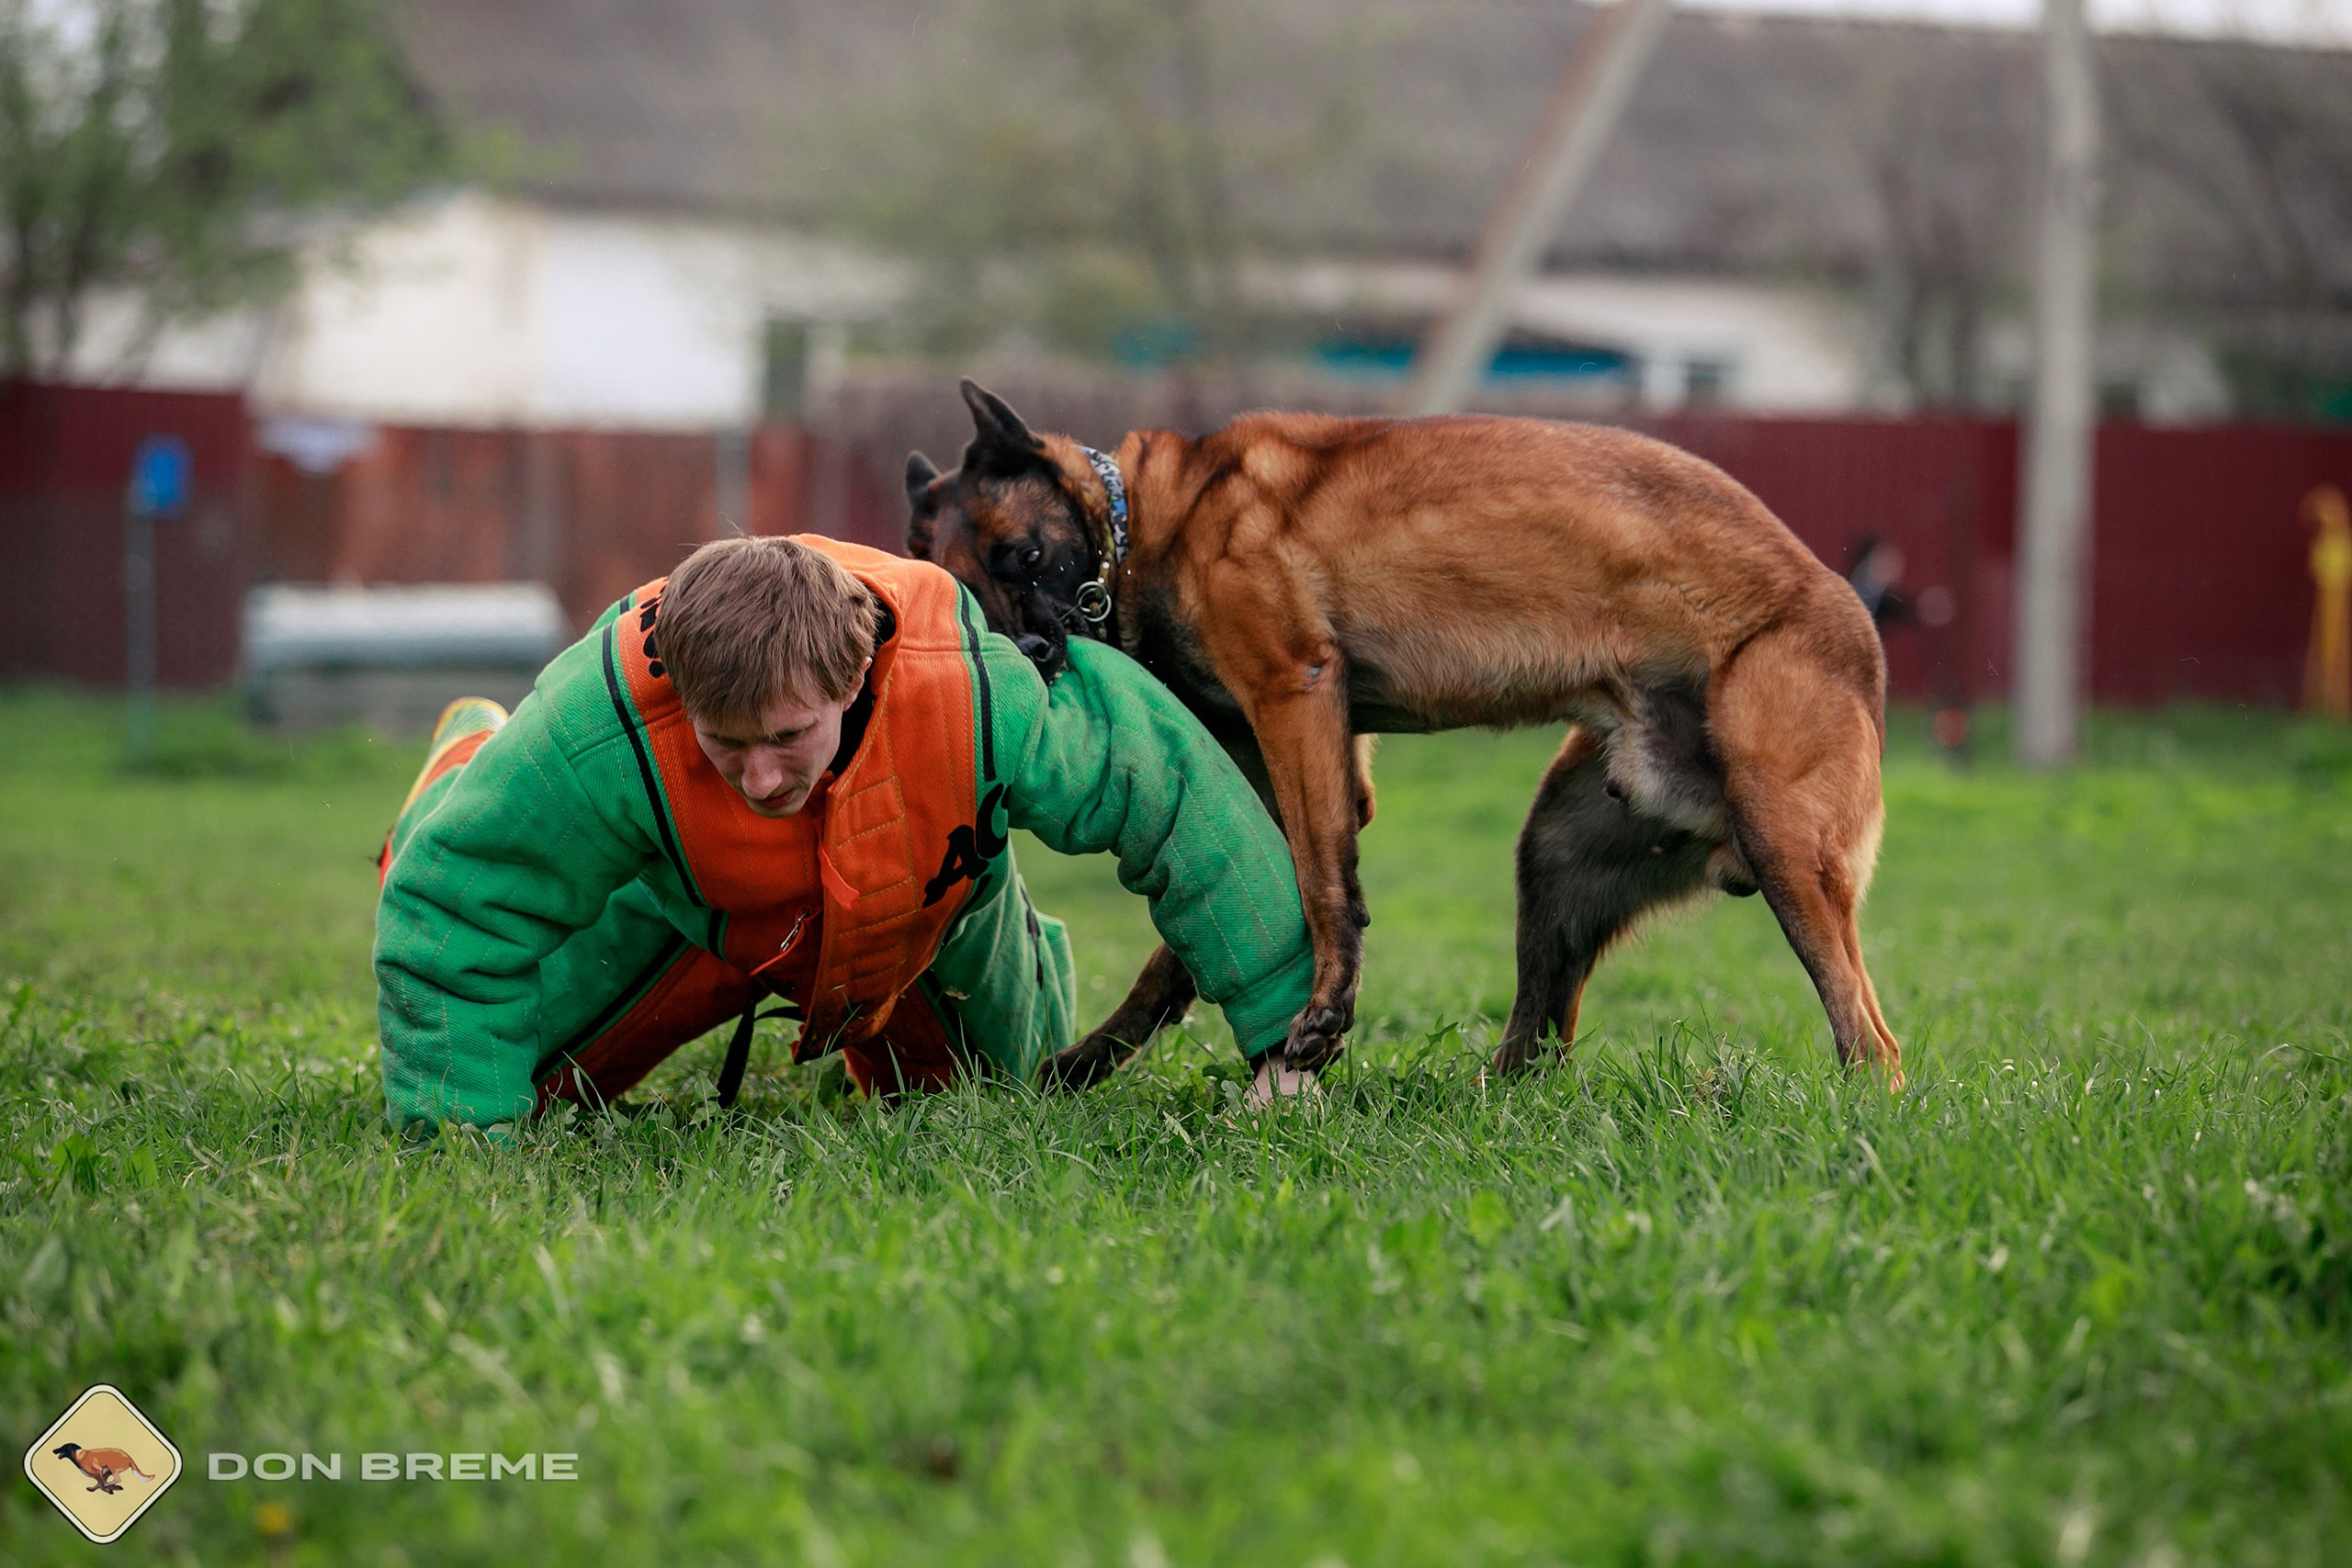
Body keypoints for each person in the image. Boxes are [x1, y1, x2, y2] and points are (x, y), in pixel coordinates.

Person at [373, 534, 1313, 1133]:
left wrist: (1285, 1050)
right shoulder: (598, 732)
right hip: (686, 909)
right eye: (726, 746)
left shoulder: (982, 696)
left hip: (921, 904)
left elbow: (1182, 802)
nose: (762, 778)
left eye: (787, 738)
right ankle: (462, 766)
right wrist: (461, 1141)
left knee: (995, 1108)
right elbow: (452, 902)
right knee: (509, 1097)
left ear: (856, 675)